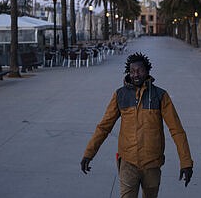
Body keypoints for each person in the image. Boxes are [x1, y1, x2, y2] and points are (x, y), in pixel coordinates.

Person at [81, 52, 193, 197]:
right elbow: (104, 126)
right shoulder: (120, 95)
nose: (136, 74)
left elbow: (176, 130)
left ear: (147, 71)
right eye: (132, 71)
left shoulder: (160, 96)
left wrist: (186, 162)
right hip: (128, 163)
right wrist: (89, 153)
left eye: (140, 70)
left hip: (152, 163)